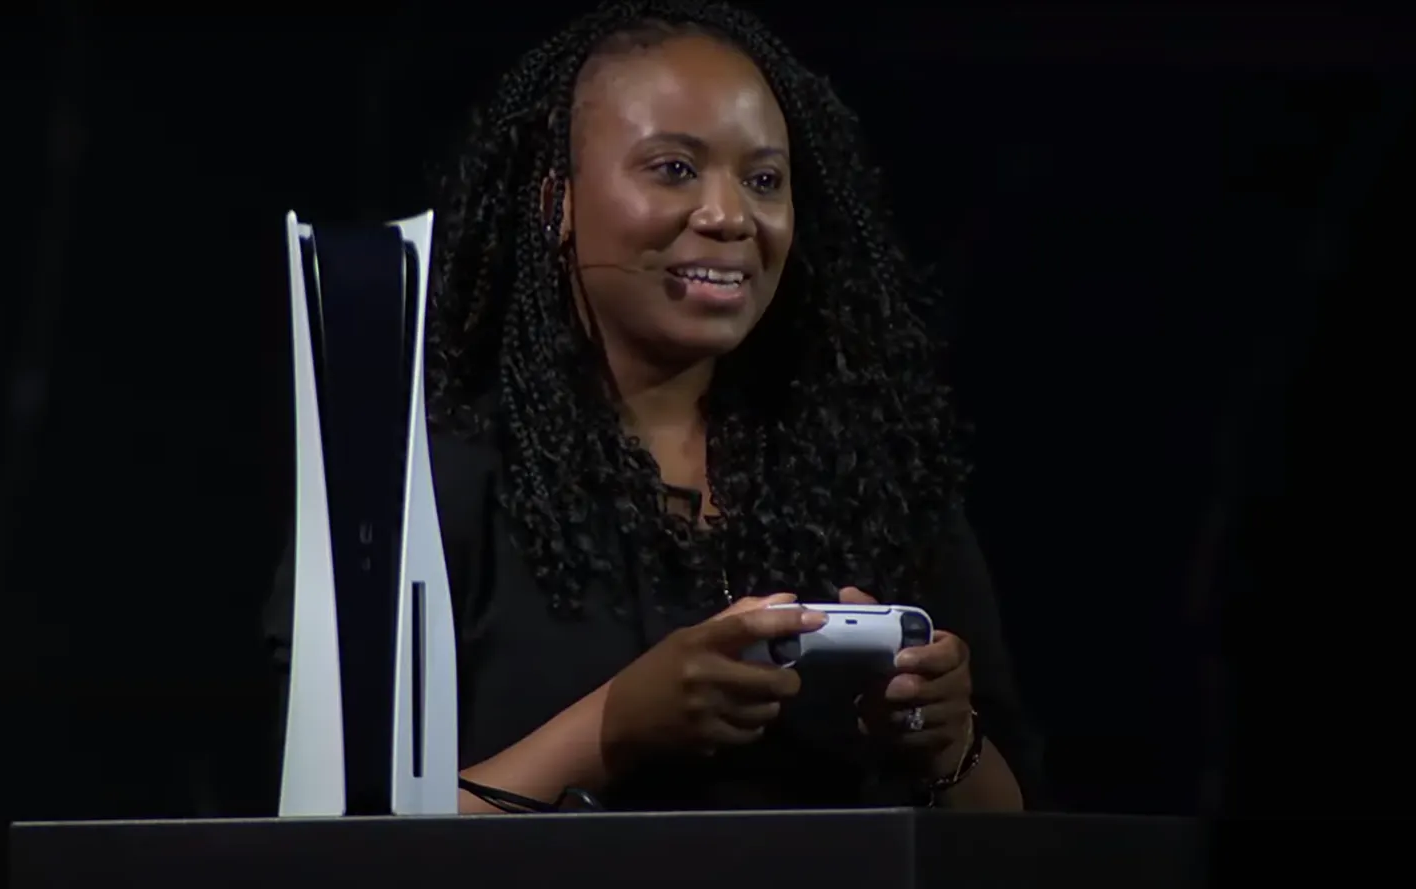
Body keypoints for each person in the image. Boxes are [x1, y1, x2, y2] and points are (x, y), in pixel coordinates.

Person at [269, 0, 1041, 812]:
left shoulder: (876, 482)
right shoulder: (414, 485)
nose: (729, 215)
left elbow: (1018, 832)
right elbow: (340, 839)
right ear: (555, 203)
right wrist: (614, 727)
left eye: (764, 180)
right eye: (674, 168)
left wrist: (947, 743)